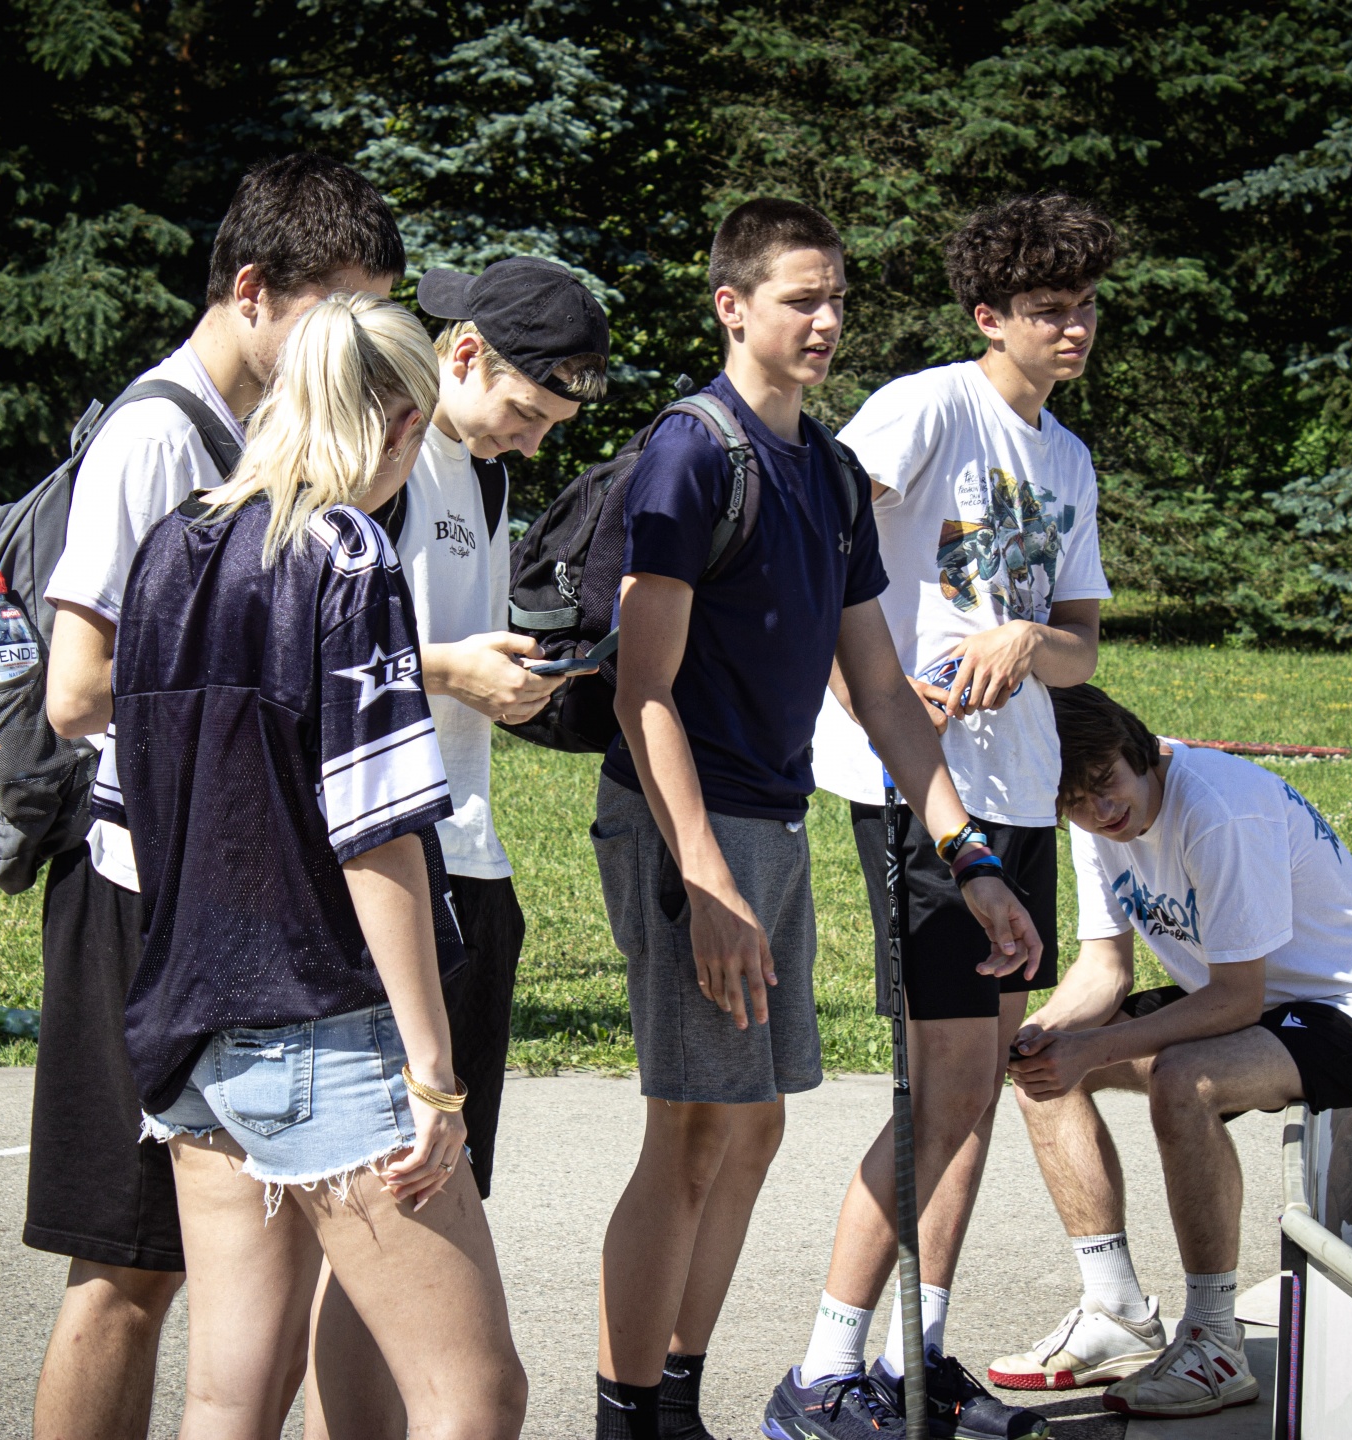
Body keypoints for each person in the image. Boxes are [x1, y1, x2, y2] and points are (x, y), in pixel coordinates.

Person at [590, 197, 1044, 1440]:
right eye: (802, 298)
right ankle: (629, 1419)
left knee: (750, 1129)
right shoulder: (693, 452)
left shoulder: (832, 474)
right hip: (691, 823)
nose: (828, 319)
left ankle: (677, 1402)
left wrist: (970, 856)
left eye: (837, 296)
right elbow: (642, 690)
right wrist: (704, 877)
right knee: (695, 1131)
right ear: (732, 307)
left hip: (774, 824)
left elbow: (883, 693)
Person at [111, 290, 527, 1440]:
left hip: (194, 1021)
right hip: (325, 1024)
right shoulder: (347, 553)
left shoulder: (173, 547)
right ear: (403, 426)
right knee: (474, 1395)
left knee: (227, 1398)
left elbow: (138, 797)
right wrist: (433, 1071)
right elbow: (377, 829)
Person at [35, 153, 404, 1440]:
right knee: (125, 1271)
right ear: (253, 292)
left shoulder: (268, 433)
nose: (356, 347)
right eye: (338, 312)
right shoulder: (159, 432)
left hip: (225, 889)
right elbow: (75, 689)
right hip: (142, 891)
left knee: (240, 1290)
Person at [794, 193, 1115, 1438]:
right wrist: (868, 702)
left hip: (1020, 789)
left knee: (974, 1092)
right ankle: (825, 1371)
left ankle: (915, 1360)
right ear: (989, 317)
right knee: (939, 1091)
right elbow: (817, 544)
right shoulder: (930, 407)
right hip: (916, 790)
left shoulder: (1066, 457)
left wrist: (1027, 641)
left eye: (1085, 307)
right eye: (1047, 310)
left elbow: (1081, 649)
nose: (1073, 328)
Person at [303, 256, 613, 1439]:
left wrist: (518, 678)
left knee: (424, 1210)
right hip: (390, 864)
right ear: (465, 354)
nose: (534, 441)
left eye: (553, 427)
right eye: (527, 412)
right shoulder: (378, 461)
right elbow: (307, 648)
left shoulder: (483, 469)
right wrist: (452, 670)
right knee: (390, 1214)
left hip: (472, 861)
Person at [994, 683, 1352, 1419]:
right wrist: (1034, 1039)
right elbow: (1104, 970)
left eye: (1104, 784)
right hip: (1249, 1002)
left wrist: (1093, 1046)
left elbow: (1236, 1001)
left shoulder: (1219, 808)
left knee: (1183, 1078)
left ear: (1133, 746)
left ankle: (1215, 1343)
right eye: (1073, 802)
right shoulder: (1093, 815)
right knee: (1045, 1071)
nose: (1099, 810)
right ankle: (1116, 1312)